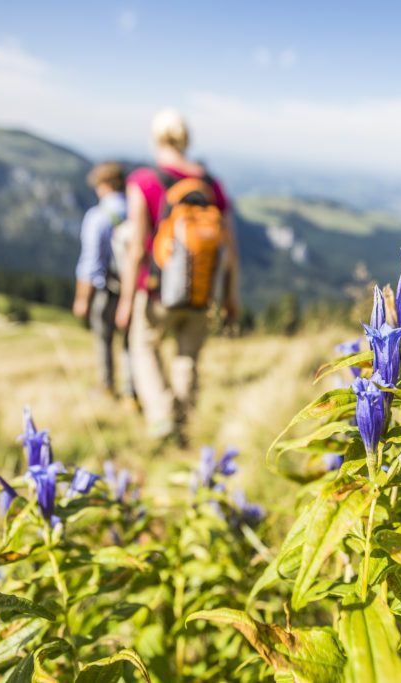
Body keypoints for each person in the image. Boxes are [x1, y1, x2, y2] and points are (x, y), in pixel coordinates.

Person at [115, 109, 240, 441]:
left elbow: (137, 249)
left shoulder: (143, 181)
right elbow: (229, 249)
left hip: (157, 291)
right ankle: (183, 423)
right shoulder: (211, 185)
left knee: (143, 347)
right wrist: (229, 296)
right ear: (187, 140)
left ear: (156, 139)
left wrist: (126, 301)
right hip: (202, 290)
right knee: (188, 357)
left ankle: (160, 416)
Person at [73, 162, 133, 398]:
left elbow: (90, 262)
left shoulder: (98, 216)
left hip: (109, 288)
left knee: (104, 336)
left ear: (104, 185)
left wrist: (82, 299)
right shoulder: (137, 210)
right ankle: (132, 391)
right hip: (136, 288)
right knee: (130, 340)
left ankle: (107, 385)